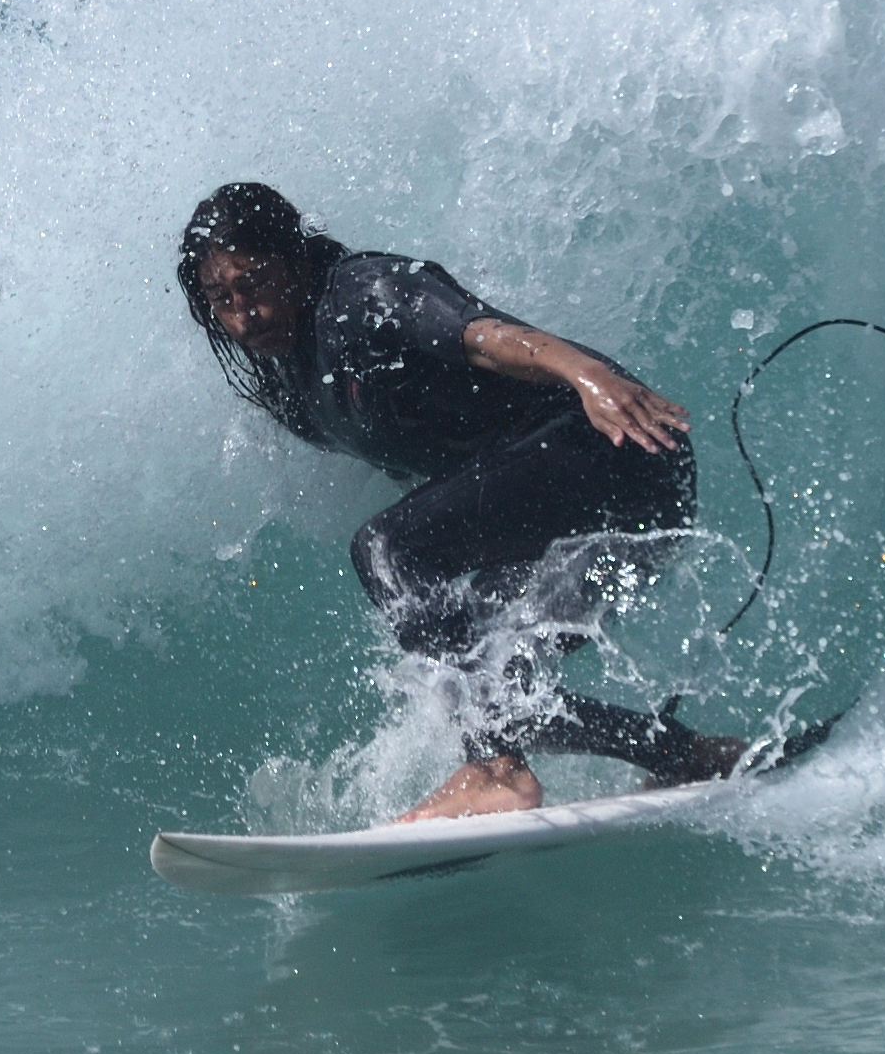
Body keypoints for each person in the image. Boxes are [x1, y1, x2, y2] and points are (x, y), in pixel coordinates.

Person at [178, 182, 756, 821]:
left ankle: (495, 771)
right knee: (489, 678)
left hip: (621, 454)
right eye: (222, 298)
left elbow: (486, 337)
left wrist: (590, 379)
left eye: (254, 283)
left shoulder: (365, 294)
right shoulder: (289, 377)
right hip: (574, 507)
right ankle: (684, 754)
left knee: (384, 549)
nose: (243, 315)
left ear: (294, 257)